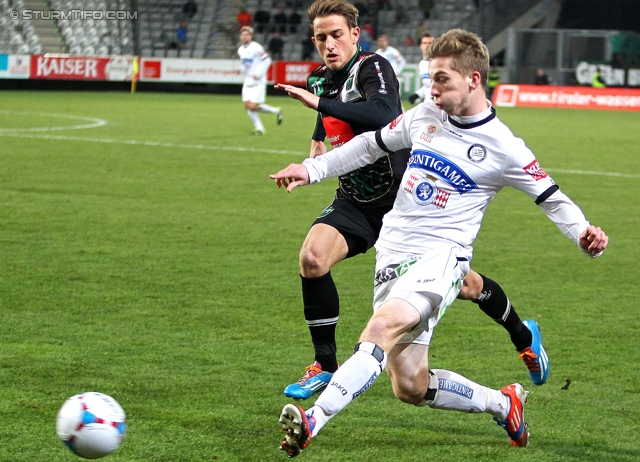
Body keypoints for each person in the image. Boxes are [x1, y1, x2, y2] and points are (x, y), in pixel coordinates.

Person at [271, 28, 609, 457]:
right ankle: (503, 403)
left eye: (442, 79)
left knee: (379, 329)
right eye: (431, 78)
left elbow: (551, 198)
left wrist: (583, 234)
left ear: (474, 79)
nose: (432, 88)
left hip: (443, 257)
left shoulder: (504, 147)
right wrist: (310, 169)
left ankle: (313, 421)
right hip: (393, 251)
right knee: (409, 384)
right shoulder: (425, 115)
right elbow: (369, 146)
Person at [274, 0, 550, 404]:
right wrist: (317, 139)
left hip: (400, 200)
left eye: (336, 34)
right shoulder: (320, 78)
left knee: (467, 284)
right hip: (354, 197)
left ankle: (524, 336)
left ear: (355, 33)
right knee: (312, 259)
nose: (328, 44)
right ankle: (325, 365)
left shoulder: (374, 67)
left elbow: (383, 112)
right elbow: (328, 114)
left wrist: (320, 106)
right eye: (320, 37)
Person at [237, 26, 283, 135]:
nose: (244, 37)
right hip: (248, 79)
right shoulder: (240, 50)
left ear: (251, 36)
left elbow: (267, 60)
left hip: (258, 80)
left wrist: (258, 73)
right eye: (242, 35)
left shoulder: (256, 47)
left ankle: (276, 111)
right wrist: (241, 70)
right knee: (247, 106)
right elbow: (245, 65)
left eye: (246, 35)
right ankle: (259, 129)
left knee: (252, 106)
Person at [408, 32, 433, 104]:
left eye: (430, 43)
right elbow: (427, 86)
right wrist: (417, 94)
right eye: (425, 43)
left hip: (439, 105)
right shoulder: (422, 63)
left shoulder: (439, 63)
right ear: (421, 46)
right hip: (428, 102)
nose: (427, 45)